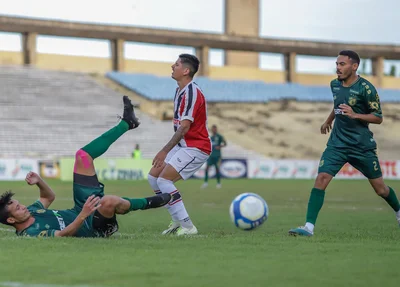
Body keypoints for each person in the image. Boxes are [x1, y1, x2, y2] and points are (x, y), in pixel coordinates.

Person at [0, 96, 171, 237]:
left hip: (80, 209)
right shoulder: (30, 233)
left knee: (83, 157)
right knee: (108, 201)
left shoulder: (31, 211)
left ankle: (127, 123)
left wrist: (39, 181)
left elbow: (48, 197)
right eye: (17, 208)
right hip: (92, 227)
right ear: (11, 221)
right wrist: (84, 214)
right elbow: (62, 235)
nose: (22, 206)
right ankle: (149, 202)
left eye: (18, 203)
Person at [289, 50, 400, 237]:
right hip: (337, 144)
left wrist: (355, 114)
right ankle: (308, 227)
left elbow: (378, 118)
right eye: (337, 64)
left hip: (361, 146)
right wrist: (328, 120)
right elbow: (338, 104)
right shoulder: (335, 85)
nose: (338, 68)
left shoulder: (367, 89)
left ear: (354, 66)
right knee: (321, 179)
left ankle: (398, 211)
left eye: (342, 64)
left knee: (380, 189)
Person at [148, 54, 211, 236]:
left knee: (164, 180)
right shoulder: (179, 90)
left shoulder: (192, 92)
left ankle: (188, 226)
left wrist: (164, 150)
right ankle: (177, 221)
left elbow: (184, 127)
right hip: (184, 144)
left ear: (186, 71)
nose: (172, 66)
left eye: (176, 64)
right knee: (154, 178)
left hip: (196, 146)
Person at [201, 125, 227, 189]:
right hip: (210, 156)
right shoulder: (211, 137)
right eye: (213, 129)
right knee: (207, 168)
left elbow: (225, 143)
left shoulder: (219, 136)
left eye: (215, 129)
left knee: (217, 169)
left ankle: (218, 183)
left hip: (217, 156)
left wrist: (220, 146)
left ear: (216, 129)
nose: (214, 130)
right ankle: (205, 182)